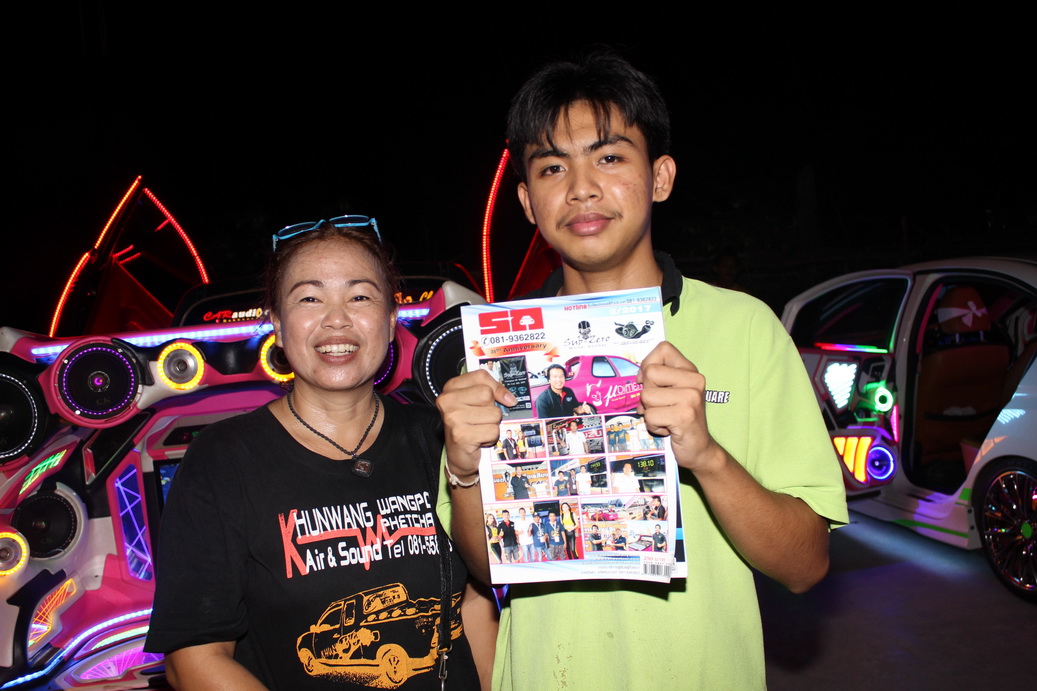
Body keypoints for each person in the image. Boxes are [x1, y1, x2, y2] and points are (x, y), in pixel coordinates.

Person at [437, 53, 847, 689]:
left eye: (608, 157)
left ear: (660, 177)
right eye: (552, 167)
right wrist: (464, 469)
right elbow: (490, 572)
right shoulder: (498, 356)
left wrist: (707, 456)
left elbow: (805, 565)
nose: (581, 188)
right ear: (526, 201)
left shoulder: (746, 327)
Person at [147, 218, 488, 689]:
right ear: (277, 324)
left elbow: (472, 605)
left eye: (360, 297)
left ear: (391, 320)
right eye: (309, 298)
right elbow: (195, 657)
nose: (336, 319)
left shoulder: (442, 435)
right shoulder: (222, 461)